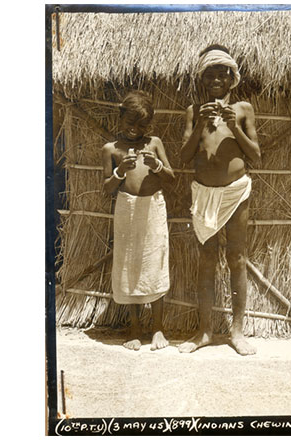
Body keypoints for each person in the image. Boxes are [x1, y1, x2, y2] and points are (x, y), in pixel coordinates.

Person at [179, 45, 261, 356]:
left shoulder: (243, 109)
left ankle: (237, 333)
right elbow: (185, 157)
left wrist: (235, 126)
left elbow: (255, 155)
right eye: (209, 75)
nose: (216, 79)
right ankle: (204, 332)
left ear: (232, 79)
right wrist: (200, 123)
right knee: (206, 259)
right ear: (202, 80)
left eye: (222, 74)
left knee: (237, 257)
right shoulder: (193, 112)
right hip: (203, 192)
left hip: (235, 192)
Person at [102, 90, 175, 351]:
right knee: (129, 264)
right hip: (127, 209)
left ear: (150, 125)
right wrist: (120, 171)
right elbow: (108, 188)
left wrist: (156, 166)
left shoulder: (154, 143)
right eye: (130, 124)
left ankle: (157, 328)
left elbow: (171, 178)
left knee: (154, 263)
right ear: (120, 119)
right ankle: (134, 328)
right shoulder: (111, 149)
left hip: (153, 208)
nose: (135, 130)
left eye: (142, 125)